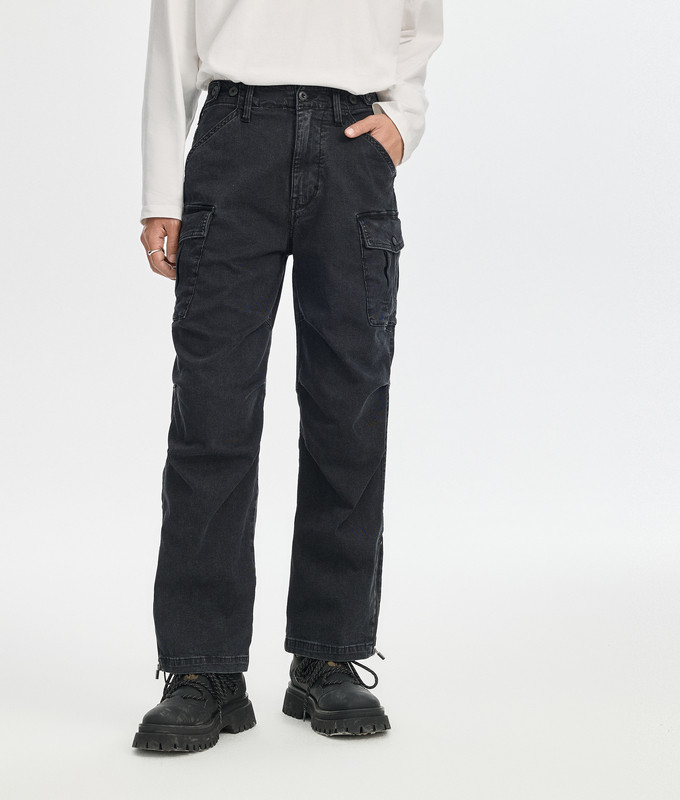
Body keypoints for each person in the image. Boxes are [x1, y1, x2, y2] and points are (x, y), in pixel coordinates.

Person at [132, 0, 444, 752]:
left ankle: (328, 655)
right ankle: (203, 668)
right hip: (234, 137)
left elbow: (420, 22)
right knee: (211, 411)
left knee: (348, 409)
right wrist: (160, 195)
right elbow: (172, 40)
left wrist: (404, 116)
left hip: (352, 139)